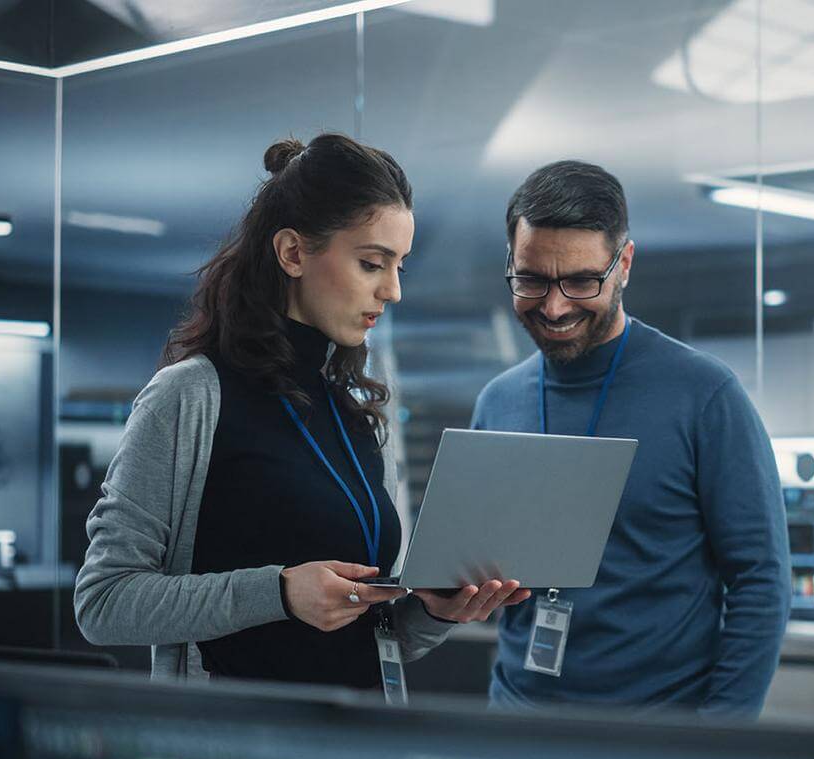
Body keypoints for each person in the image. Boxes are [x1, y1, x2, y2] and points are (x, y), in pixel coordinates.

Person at [75, 133, 528, 685]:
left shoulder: (355, 411)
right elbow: (103, 602)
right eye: (371, 263)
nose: (393, 291)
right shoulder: (190, 395)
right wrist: (281, 592)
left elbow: (376, 638)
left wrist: (434, 611)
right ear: (293, 253)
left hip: (357, 749)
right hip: (235, 753)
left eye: (399, 267)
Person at [471, 160, 790, 718]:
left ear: (624, 265)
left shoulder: (705, 395)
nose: (554, 306)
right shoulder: (498, 402)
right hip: (518, 720)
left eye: (580, 281)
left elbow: (761, 579)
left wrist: (718, 734)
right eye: (532, 280)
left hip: (657, 732)